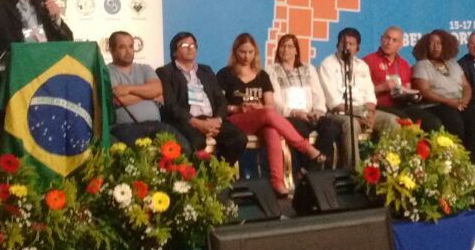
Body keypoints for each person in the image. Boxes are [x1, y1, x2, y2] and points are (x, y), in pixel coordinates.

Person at [217, 33, 326, 196]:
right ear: (235, 52)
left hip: (260, 118)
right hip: (235, 121)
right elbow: (219, 106)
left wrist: (259, 106)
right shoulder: (225, 74)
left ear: (255, 53)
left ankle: (277, 182)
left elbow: (270, 105)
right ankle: (306, 148)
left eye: (250, 52)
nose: (246, 56)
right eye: (242, 52)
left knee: (272, 130)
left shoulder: (262, 75)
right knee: (268, 114)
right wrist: (238, 108)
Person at [156, 32, 246, 163]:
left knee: (238, 138)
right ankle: (197, 174)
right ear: (174, 52)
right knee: (196, 142)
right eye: (185, 45)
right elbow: (171, 105)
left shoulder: (206, 70)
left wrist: (217, 120)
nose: (190, 48)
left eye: (193, 45)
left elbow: (220, 99)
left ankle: (217, 171)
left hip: (211, 119)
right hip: (186, 121)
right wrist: (197, 123)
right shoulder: (165, 72)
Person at [318, 27, 394, 168]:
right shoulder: (327, 65)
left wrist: (369, 113)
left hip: (363, 111)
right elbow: (334, 103)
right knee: (352, 124)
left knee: (392, 121)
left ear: (357, 48)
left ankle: (382, 166)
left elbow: (370, 96)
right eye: (344, 43)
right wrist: (359, 115)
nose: (347, 47)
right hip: (339, 113)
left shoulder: (362, 66)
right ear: (337, 45)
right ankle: (354, 171)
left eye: (351, 44)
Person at [410, 30, 475, 167]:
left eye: (439, 43)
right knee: (455, 123)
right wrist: (449, 102)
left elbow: (466, 86)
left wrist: (465, 100)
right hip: (437, 105)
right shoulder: (422, 65)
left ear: (446, 45)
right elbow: (424, 91)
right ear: (425, 46)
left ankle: (474, 164)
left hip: (459, 102)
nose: (435, 46)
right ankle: (456, 163)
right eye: (431, 43)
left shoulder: (453, 64)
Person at [267, 33, 342, 168]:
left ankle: (313, 168)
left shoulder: (309, 69)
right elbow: (275, 101)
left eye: (290, 46)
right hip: (289, 115)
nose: (285, 49)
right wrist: (295, 112)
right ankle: (304, 169)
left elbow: (318, 94)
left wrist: (318, 111)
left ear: (296, 51)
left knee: (331, 127)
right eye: (282, 46)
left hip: (310, 114)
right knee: (299, 129)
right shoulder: (271, 71)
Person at [106, 30, 189, 152]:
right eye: (122, 47)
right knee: (141, 154)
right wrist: (148, 95)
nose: (128, 51)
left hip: (156, 124)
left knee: (184, 148)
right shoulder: (107, 71)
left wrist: (128, 89)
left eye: (131, 46)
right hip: (126, 126)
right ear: (112, 50)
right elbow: (118, 100)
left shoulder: (145, 68)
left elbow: (157, 89)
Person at [362, 26, 442, 131]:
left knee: (433, 122)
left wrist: (410, 94)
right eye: (387, 38)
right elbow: (359, 94)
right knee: (406, 122)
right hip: (379, 106)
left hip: (403, 106)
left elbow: (408, 88)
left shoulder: (403, 64)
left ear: (400, 45)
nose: (389, 42)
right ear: (381, 39)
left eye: (394, 40)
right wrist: (382, 87)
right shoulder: (367, 61)